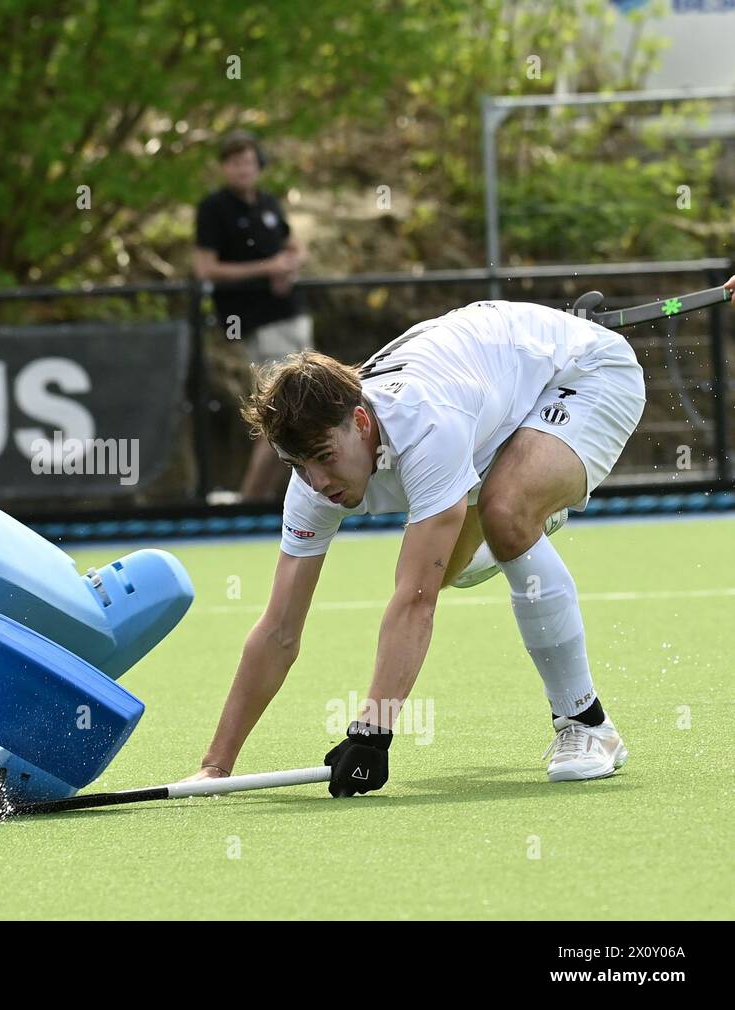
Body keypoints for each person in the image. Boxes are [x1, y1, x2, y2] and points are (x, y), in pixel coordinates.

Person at [188, 299, 652, 795]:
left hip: (585, 371)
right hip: (492, 401)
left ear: (362, 423)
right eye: (299, 465)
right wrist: (216, 767)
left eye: (325, 457)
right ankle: (525, 516)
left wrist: (372, 731)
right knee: (449, 566)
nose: (318, 482)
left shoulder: (426, 426)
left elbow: (414, 603)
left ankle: (587, 725)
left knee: (504, 512)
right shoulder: (310, 482)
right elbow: (279, 629)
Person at [194, 129, 311, 503]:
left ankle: (273, 499)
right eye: (233, 162)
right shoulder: (214, 209)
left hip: (292, 317)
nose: (242, 169)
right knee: (282, 412)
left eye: (247, 161)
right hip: (255, 323)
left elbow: (293, 248)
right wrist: (267, 268)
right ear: (224, 168)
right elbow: (205, 268)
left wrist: (287, 268)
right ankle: (251, 501)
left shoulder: (269, 204)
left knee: (299, 409)